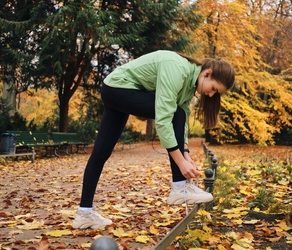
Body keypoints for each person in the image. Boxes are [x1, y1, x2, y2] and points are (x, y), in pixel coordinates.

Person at [72, 50, 235, 229]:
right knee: (175, 113)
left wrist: (186, 152)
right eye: (213, 89)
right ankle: (179, 187)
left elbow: (183, 121)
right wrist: (181, 163)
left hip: (116, 90)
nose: (211, 95)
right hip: (117, 88)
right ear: (207, 73)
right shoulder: (178, 69)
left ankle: (84, 213)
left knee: (100, 152)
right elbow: (165, 119)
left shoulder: (190, 83)